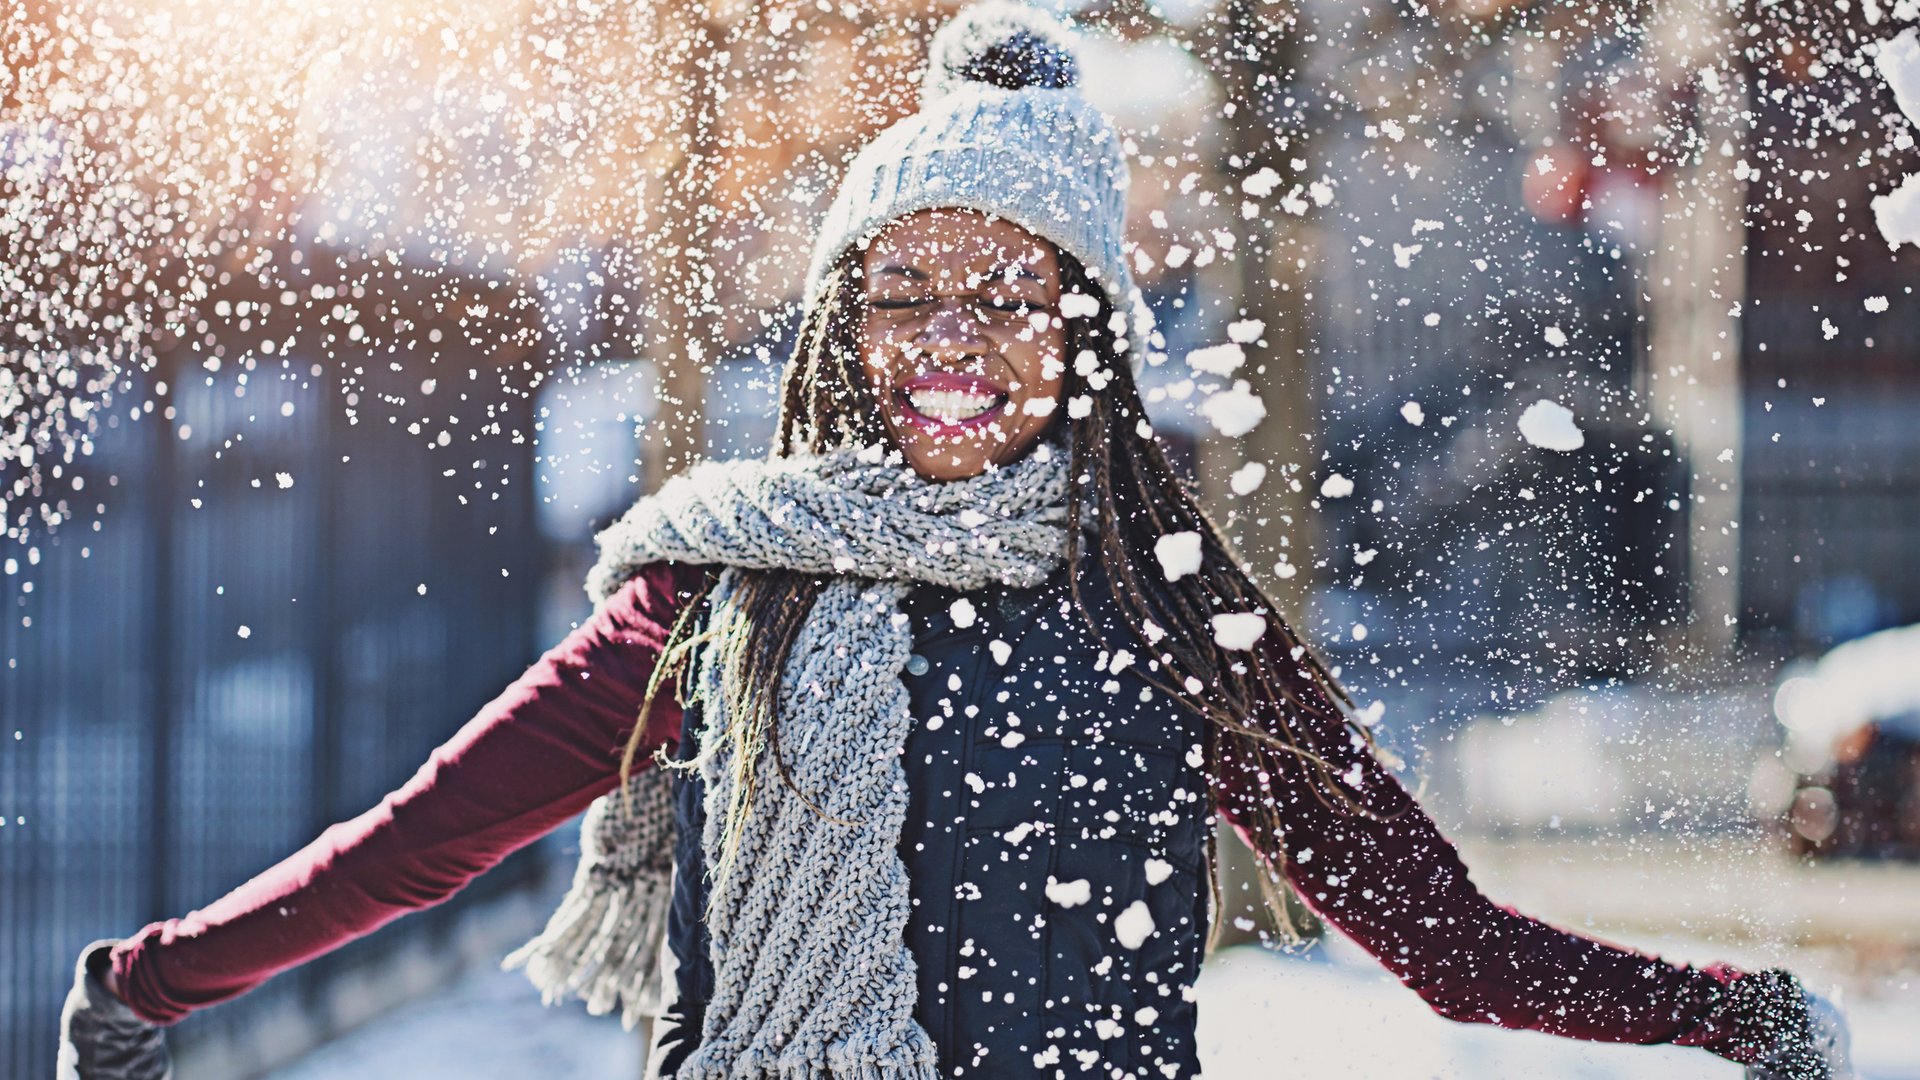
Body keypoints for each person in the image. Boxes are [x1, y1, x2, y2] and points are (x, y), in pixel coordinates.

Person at [62, 4, 1852, 1078]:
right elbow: (429, 843)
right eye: (900, 293)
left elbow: (1436, 937)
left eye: (1006, 296)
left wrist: (1732, 1015)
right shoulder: (725, 596)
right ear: (841, 327)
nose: (946, 343)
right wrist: (151, 985)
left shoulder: (1174, 612)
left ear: (1086, 330)